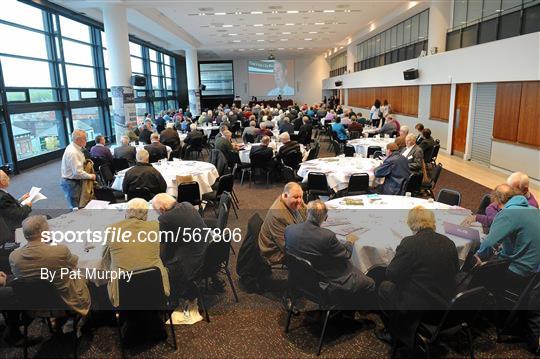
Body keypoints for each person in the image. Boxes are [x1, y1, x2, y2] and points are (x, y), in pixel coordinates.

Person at [377, 206, 459, 349]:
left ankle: (395, 333)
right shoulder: (449, 242)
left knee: (384, 287)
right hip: (445, 302)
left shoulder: (410, 243)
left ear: (410, 223)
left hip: (419, 307)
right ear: (432, 222)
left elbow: (391, 275)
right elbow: (456, 270)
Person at [285, 200, 375, 308]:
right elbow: (346, 254)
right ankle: (352, 310)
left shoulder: (289, 229)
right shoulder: (327, 236)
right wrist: (350, 242)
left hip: (300, 279)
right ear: (325, 218)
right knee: (370, 283)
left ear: (307, 212)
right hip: (325, 284)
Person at [10, 215, 91, 316]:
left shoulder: (13, 256)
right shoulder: (60, 250)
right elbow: (74, 263)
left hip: (33, 300)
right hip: (65, 300)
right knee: (85, 274)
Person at [152, 194, 211, 314]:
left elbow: (162, 247)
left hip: (192, 263)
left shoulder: (165, 219)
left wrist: (158, 262)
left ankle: (171, 296)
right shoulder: (187, 205)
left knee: (159, 266)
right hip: (207, 253)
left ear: (162, 210)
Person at [475, 184, 540, 292]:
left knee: (475, 270)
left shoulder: (508, 213)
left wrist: (477, 257)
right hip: (533, 273)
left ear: (497, 200)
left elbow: (489, 243)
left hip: (516, 271)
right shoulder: (534, 210)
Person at [259, 183, 307, 265]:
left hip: (296, 235)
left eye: (301, 197)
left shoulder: (295, 201)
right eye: (295, 197)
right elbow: (286, 247)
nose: (299, 201)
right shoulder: (278, 215)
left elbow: (306, 211)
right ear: (285, 196)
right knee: (316, 255)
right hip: (276, 250)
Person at [60, 129, 96, 209]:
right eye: (85, 139)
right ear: (78, 140)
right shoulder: (73, 152)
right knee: (77, 208)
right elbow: (78, 172)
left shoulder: (75, 147)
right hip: (71, 183)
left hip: (72, 181)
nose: (86, 140)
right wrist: (91, 176)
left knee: (78, 205)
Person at [0, 170, 32, 240]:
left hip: (7, 223)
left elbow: (9, 206)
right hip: (15, 227)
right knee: (45, 219)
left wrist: (21, 199)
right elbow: (19, 214)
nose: (8, 178)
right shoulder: (3, 197)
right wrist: (28, 206)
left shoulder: (2, 194)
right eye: (6, 176)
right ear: (2, 182)